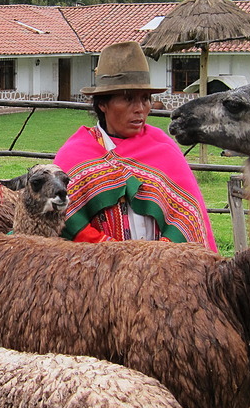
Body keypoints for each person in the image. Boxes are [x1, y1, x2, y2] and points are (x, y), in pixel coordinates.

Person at [54, 41, 217, 251]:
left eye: (145, 99)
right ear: (103, 104)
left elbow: (188, 216)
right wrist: (112, 252)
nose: (140, 109)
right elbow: (62, 217)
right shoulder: (75, 154)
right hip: (93, 271)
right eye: (128, 99)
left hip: (163, 270)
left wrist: (156, 256)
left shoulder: (163, 149)